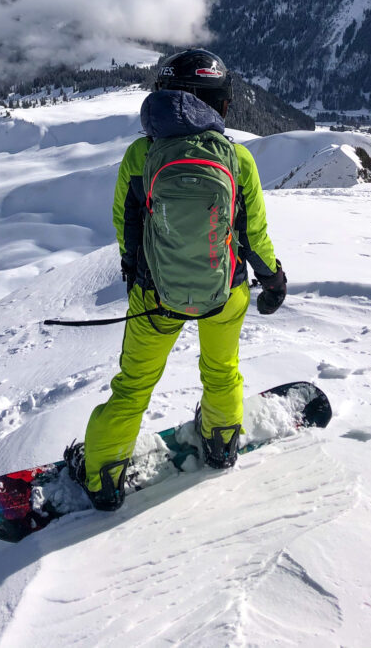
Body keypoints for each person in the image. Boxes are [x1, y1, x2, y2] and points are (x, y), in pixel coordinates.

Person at [65, 48, 287, 510]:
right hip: (225, 291)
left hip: (155, 296)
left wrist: (136, 273)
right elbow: (254, 235)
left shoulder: (140, 154)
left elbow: (126, 225)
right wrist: (273, 279)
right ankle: (222, 443)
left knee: (133, 387)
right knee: (222, 371)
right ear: (218, 102)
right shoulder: (237, 159)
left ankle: (103, 475)